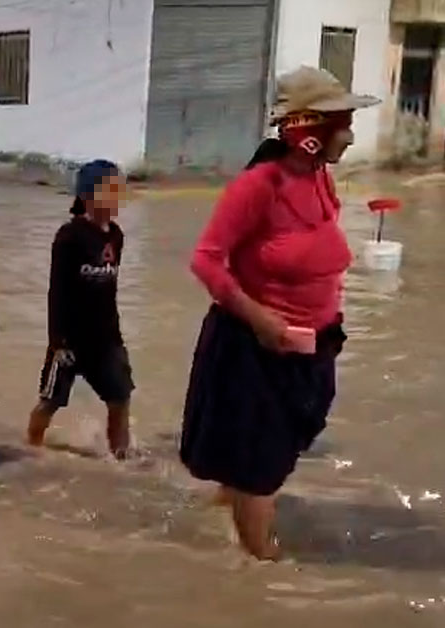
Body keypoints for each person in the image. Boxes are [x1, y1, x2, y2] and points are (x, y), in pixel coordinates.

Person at [179, 67, 380, 560]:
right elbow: (204, 260)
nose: (350, 136)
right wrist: (259, 317)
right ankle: (259, 563)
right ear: (308, 131)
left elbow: (317, 257)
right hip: (257, 348)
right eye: (341, 124)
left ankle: (232, 499)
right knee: (261, 466)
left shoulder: (319, 180)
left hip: (312, 346)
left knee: (287, 441)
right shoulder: (257, 187)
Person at [26, 160, 134, 459]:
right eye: (110, 189)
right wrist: (57, 341)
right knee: (51, 401)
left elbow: (107, 291)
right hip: (70, 342)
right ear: (88, 195)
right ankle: (31, 448)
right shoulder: (69, 236)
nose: (117, 197)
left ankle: (121, 458)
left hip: (107, 340)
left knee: (120, 399)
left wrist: (116, 338)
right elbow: (56, 292)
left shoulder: (116, 236)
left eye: (119, 190)